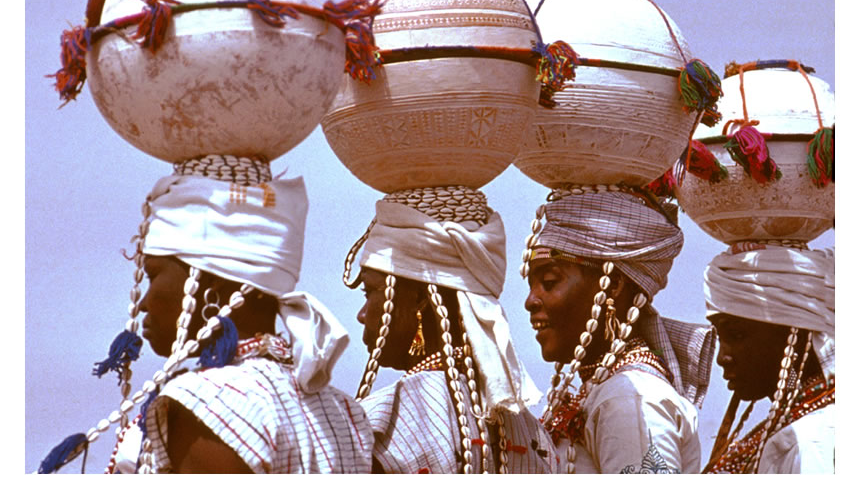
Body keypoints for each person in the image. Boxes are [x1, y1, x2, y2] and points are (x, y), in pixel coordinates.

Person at [40, 156, 374, 474]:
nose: (142, 303)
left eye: (154, 276)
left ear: (209, 286)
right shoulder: (342, 410)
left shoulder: (206, 404)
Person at [346, 186, 559, 473]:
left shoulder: (378, 427)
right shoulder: (529, 429)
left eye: (369, 291)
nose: (362, 315)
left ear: (419, 297)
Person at [522, 186, 715, 473]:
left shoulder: (629, 398)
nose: (530, 301)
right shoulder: (608, 391)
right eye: (531, 286)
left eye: (549, 282)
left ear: (612, 286)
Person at [701, 244, 834, 474]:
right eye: (720, 337)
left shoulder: (813, 441)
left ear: (795, 336)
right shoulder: (795, 427)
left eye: (736, 335)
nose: (722, 358)